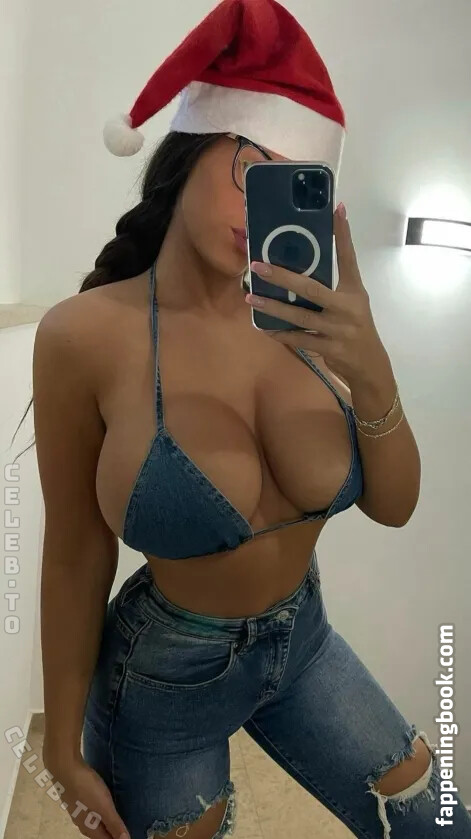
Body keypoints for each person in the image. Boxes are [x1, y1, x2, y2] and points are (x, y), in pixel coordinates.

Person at [23, 1, 471, 837]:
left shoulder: (309, 322)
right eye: (250, 164)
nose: (258, 203)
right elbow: (77, 549)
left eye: (295, 181)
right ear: (190, 145)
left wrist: (373, 375)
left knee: (434, 819)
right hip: (162, 679)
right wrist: (59, 744)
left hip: (305, 642)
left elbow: (395, 505)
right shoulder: (84, 336)